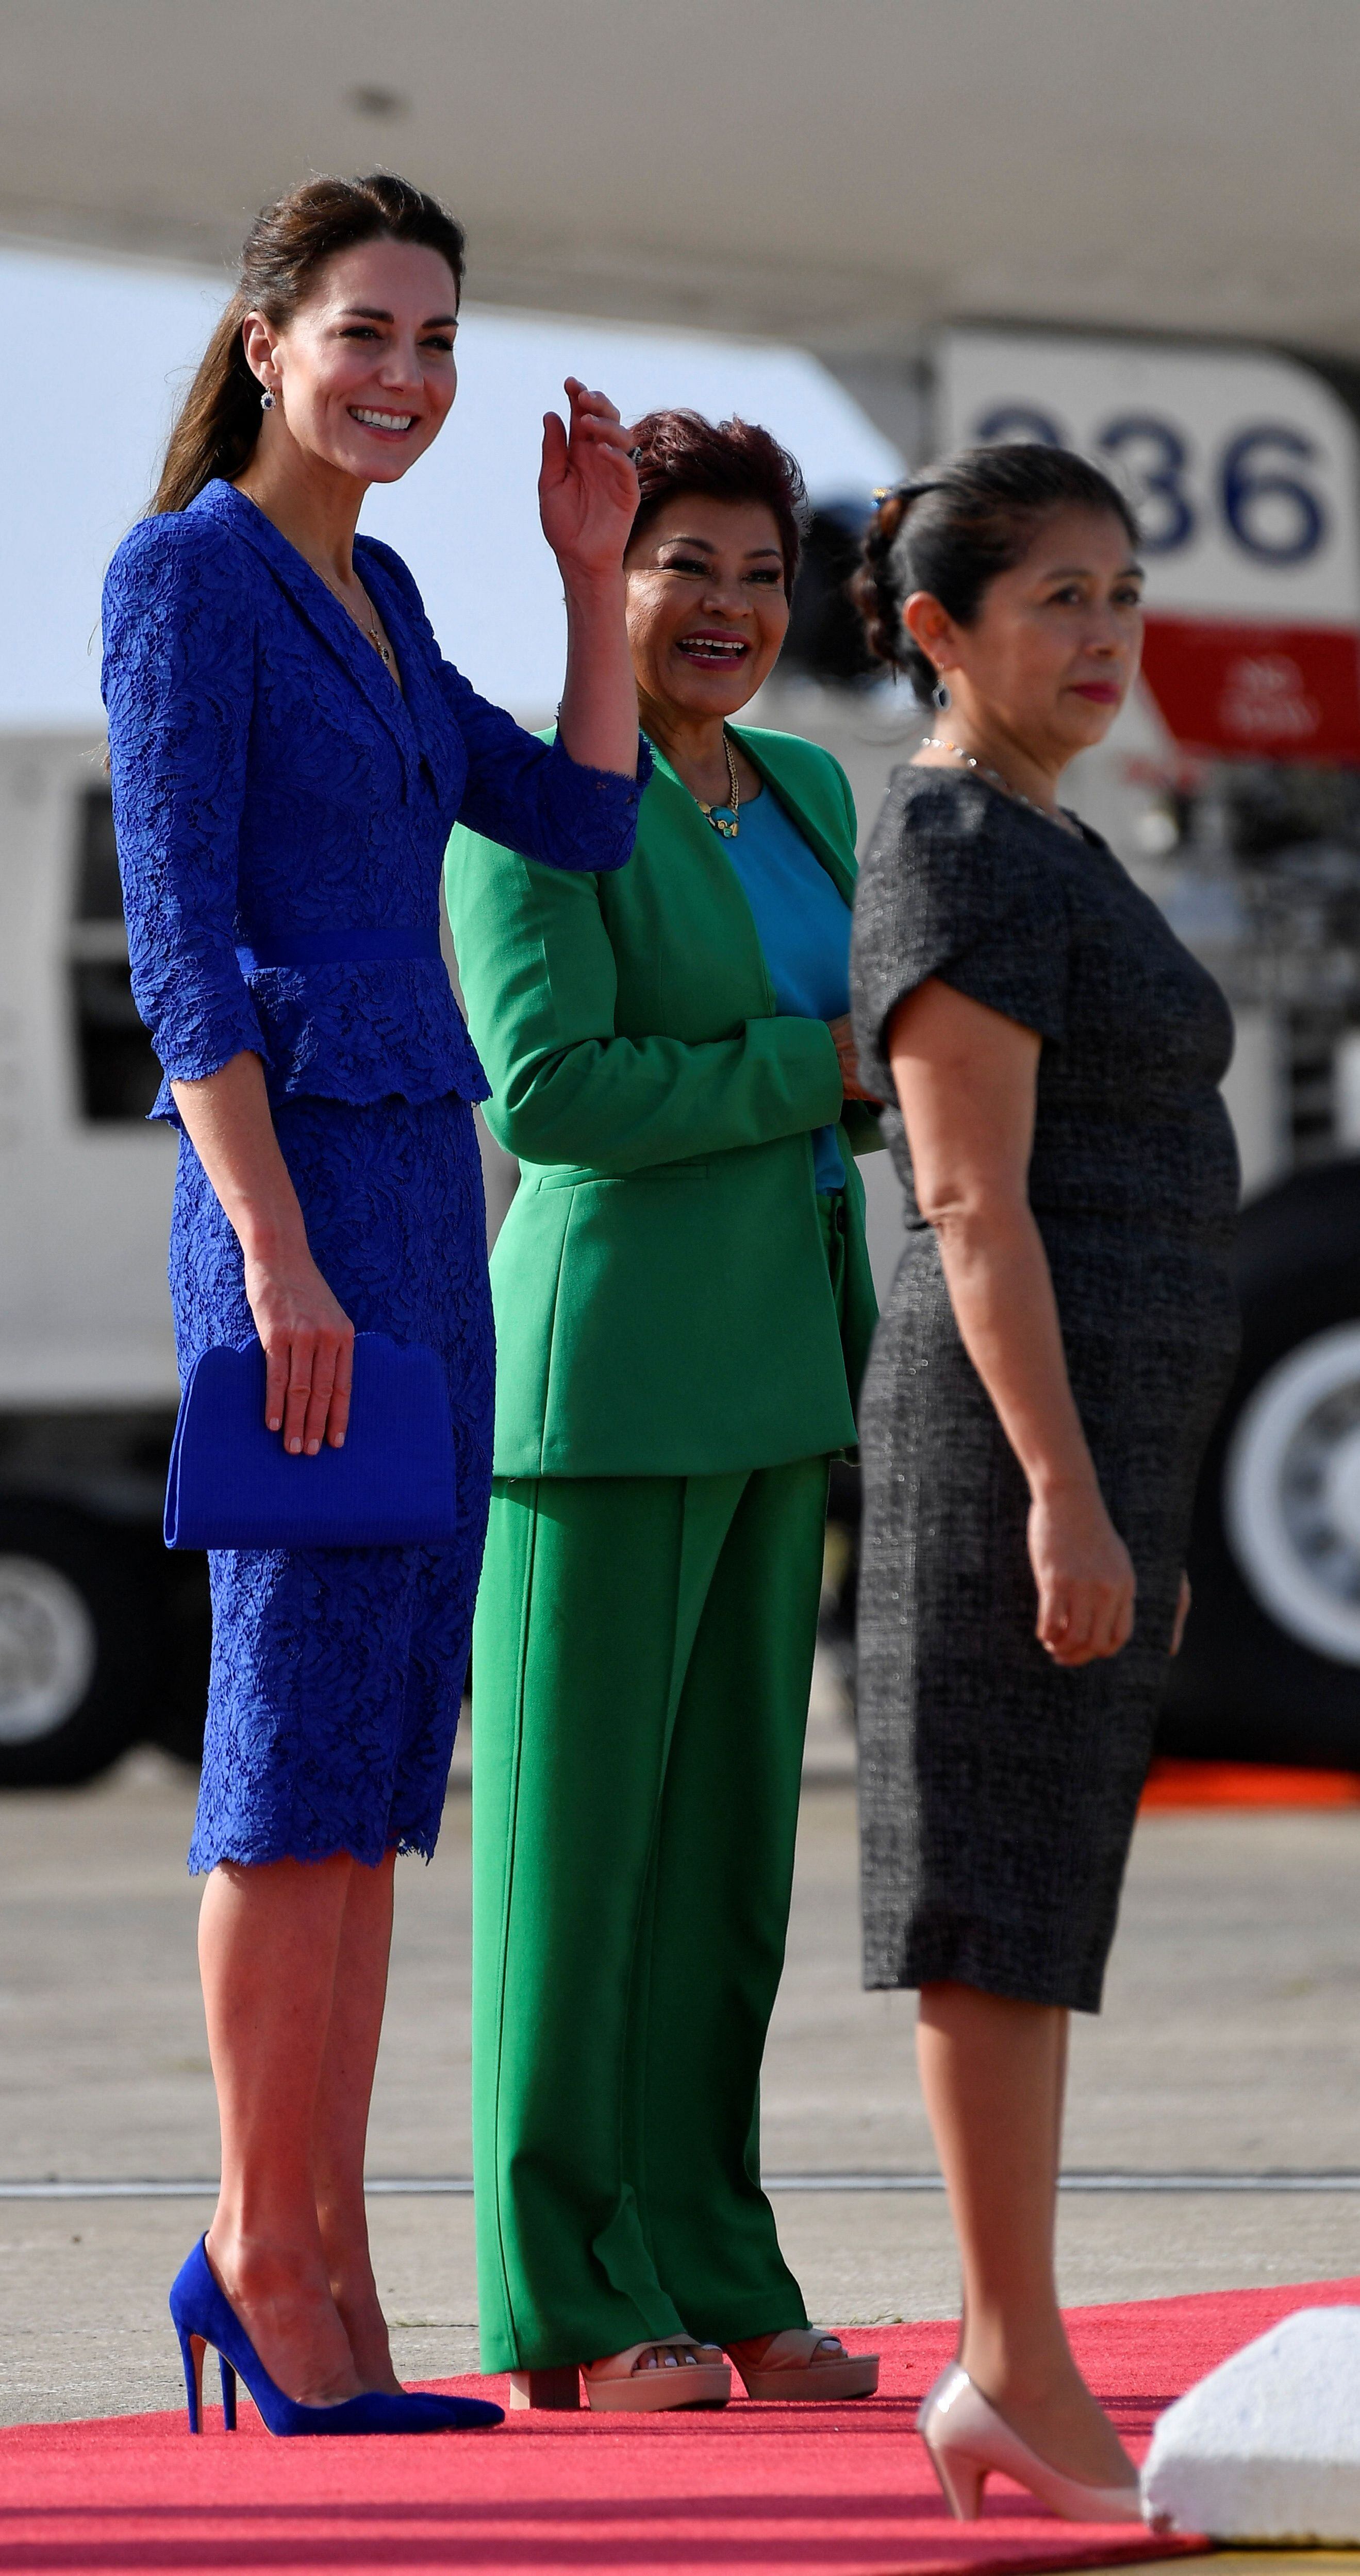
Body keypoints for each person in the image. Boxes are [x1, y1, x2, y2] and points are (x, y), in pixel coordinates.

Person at [101, 171, 648, 2437]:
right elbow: (176, 940)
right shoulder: (186, 582)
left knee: (369, 1765)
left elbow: (588, 823)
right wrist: (273, 1250)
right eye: (365, 333)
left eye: (435, 338)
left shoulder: (387, 590)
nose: (406, 375)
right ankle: (264, 2251)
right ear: (263, 343)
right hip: (297, 1214)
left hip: (427, 1198)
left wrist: (589, 578)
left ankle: (320, 2251)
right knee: (281, 1754)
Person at [445, 410, 883, 2414]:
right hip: (602, 1384)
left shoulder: (801, 790)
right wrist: (805, 1067)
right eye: (679, 563)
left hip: (780, 1364)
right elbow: (550, 1096)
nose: (722, 606)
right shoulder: (532, 806)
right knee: (576, 1867)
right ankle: (566, 2299)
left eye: (755, 571)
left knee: (725, 1874)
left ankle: (718, 2259)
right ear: (605, 585)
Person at [847, 445, 1240, 2519]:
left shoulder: (1038, 834)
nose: (1099, 635)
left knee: (1036, 1896)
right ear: (937, 628)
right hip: (1008, 1436)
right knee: (990, 1904)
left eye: (1118, 591)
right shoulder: (958, 843)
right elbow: (968, 1201)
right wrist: (1062, 1496)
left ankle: (1018, 2362)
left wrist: (1118, 1497)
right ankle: (1008, 2363)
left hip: (1076, 1444)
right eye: (1052, 600)